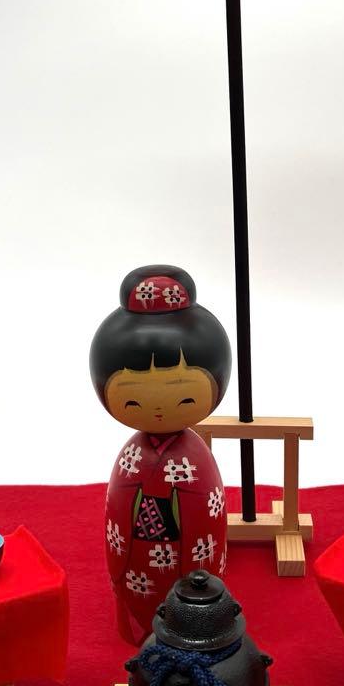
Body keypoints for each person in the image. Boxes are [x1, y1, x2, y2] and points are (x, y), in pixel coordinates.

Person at [90, 265, 232, 644]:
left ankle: (196, 620)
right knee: (142, 586)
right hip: (140, 550)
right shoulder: (132, 455)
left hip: (182, 549)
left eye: (185, 397)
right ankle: (138, 620)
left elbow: (206, 513)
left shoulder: (195, 456)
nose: (155, 409)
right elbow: (118, 512)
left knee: (188, 592)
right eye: (133, 399)